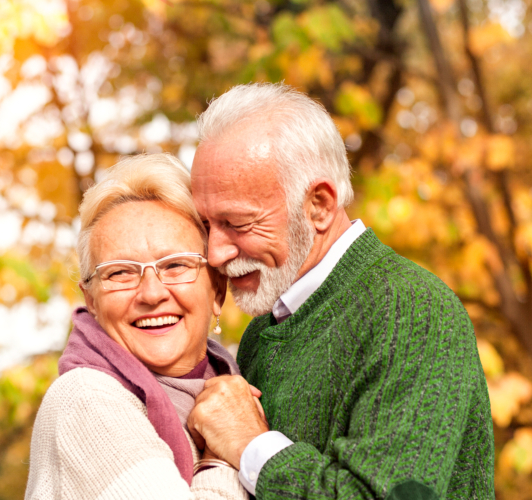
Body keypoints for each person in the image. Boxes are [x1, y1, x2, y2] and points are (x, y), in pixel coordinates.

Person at [185, 83, 496, 500]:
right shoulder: (263, 333)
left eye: (238, 224)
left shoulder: (412, 311)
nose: (215, 253)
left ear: (319, 205)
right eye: (207, 226)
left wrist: (251, 446)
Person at [25, 154, 247, 500]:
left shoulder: (238, 384)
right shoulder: (85, 399)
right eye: (120, 272)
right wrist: (224, 457)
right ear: (93, 301)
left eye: (175, 265)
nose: (152, 293)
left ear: (217, 290)